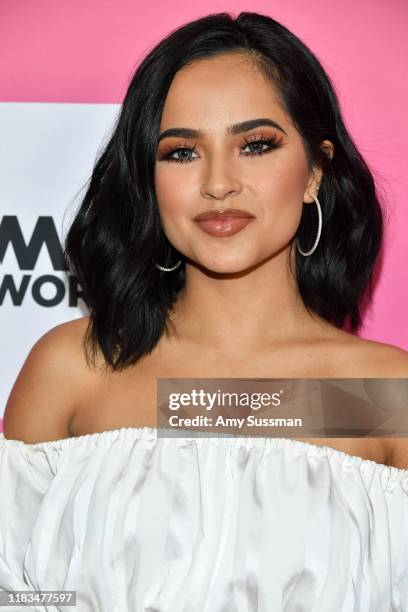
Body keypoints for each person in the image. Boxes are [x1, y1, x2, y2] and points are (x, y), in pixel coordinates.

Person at [1, 10, 408, 611]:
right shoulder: (75, 369)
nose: (219, 182)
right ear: (149, 178)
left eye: (256, 145)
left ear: (315, 172)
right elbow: (18, 592)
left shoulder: (381, 394)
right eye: (182, 152)